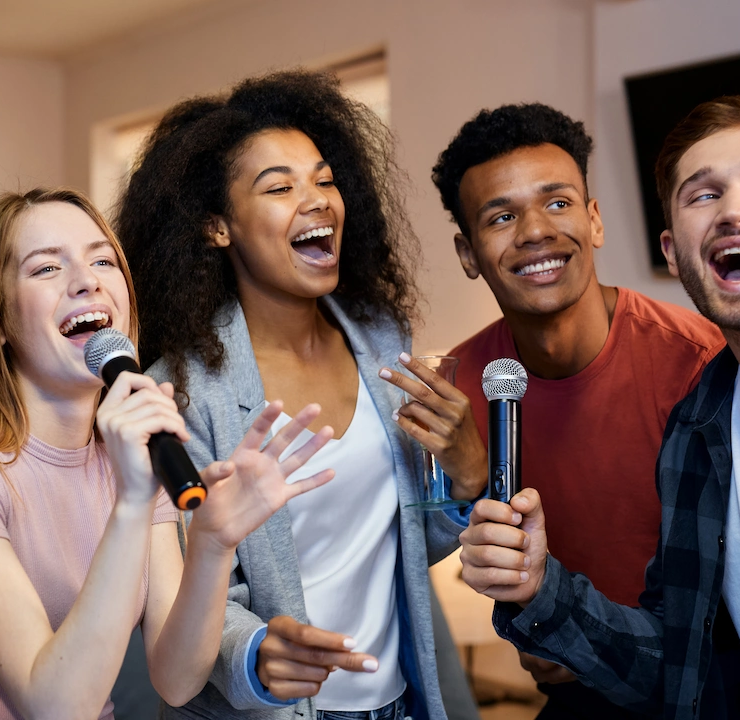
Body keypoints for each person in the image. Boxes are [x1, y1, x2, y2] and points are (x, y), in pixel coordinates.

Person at [118, 69, 483, 720]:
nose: (317, 200)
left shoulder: (381, 342)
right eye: (280, 187)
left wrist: (464, 482)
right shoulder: (182, 394)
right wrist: (255, 651)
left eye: (324, 179)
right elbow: (193, 596)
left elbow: (390, 542)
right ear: (217, 227)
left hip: (402, 701)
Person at [460, 96, 740, 719]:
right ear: (672, 250)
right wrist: (537, 587)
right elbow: (679, 670)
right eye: (703, 195)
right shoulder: (696, 425)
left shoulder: (677, 361)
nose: (736, 210)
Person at [0, 187, 335, 719]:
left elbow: (176, 679)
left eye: (103, 260)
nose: (87, 281)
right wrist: (133, 502)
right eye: (45, 269)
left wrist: (212, 543)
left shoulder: (131, 458)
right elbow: (54, 708)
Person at [423, 104, 724, 718]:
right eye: (502, 217)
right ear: (468, 253)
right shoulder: (458, 390)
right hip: (575, 694)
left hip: (701, 685)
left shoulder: (699, 365)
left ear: (594, 220)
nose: (535, 231)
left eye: (558, 203)